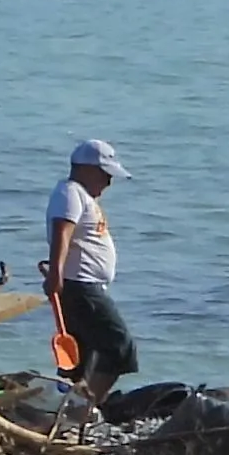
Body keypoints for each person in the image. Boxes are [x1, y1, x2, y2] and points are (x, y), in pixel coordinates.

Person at [45, 136, 137, 401]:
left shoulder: (80, 196)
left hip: (83, 285)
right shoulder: (70, 192)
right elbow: (63, 230)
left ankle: (61, 411)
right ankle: (82, 408)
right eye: (105, 175)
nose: (108, 182)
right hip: (79, 286)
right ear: (86, 169)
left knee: (81, 359)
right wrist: (55, 273)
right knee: (120, 347)